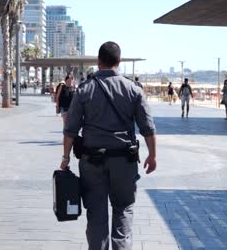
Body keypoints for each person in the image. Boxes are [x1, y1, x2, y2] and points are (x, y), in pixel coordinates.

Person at [60, 41, 157, 250]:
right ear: (119, 62)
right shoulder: (134, 89)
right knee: (123, 208)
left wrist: (66, 158)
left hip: (91, 161)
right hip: (125, 161)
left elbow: (70, 129)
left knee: (96, 213)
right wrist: (152, 155)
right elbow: (148, 127)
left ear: (98, 62)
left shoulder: (85, 89)